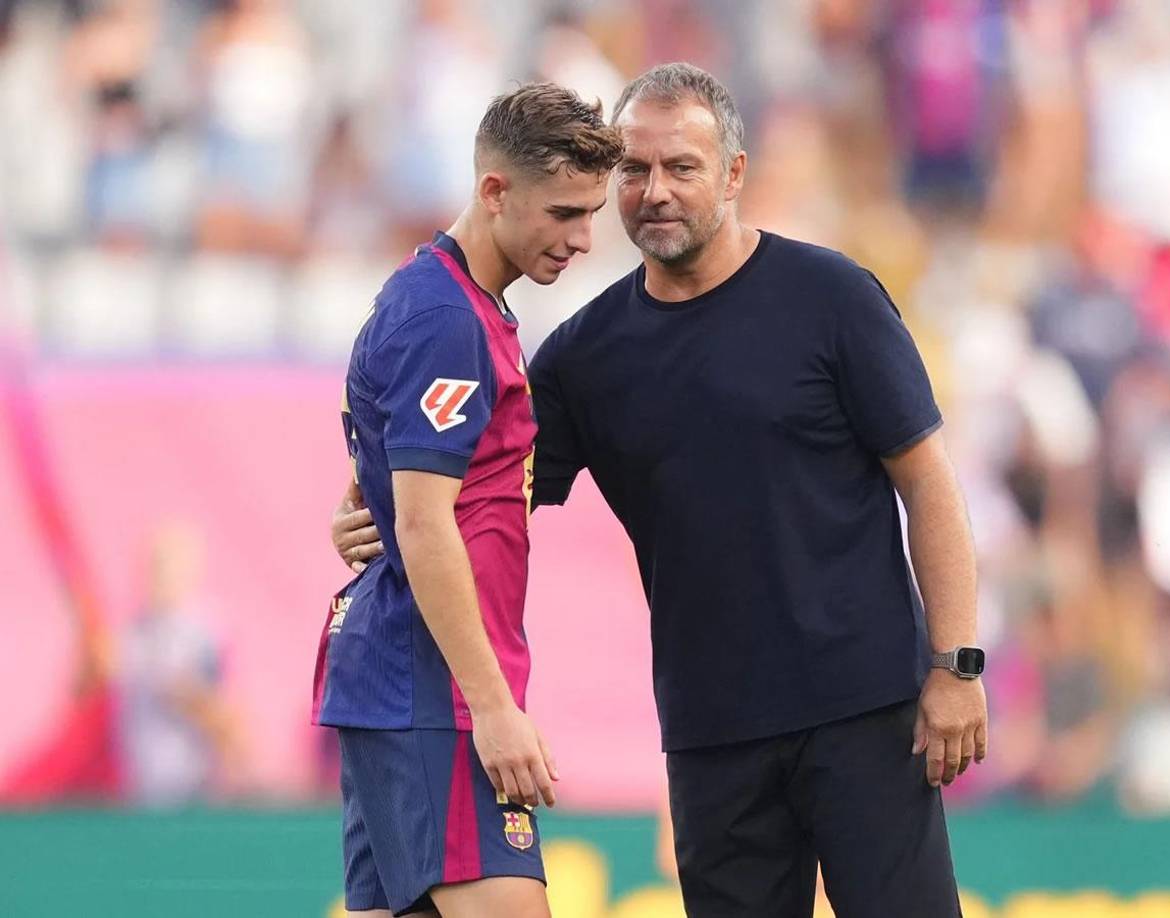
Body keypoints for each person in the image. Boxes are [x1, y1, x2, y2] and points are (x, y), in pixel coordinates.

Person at [334, 63, 987, 918]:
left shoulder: (833, 298)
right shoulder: (582, 356)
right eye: (635, 172)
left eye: (682, 167)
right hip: (711, 737)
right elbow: (479, 487)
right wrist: (387, 511)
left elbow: (928, 482)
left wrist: (957, 664)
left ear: (734, 174)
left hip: (865, 713)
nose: (655, 191)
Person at [315, 83, 623, 918]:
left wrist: (373, 494)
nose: (584, 239)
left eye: (592, 213)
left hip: (402, 681)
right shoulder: (447, 319)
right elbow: (422, 520)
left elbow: (402, 478)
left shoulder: (440, 298)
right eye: (564, 212)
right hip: (433, 693)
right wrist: (491, 708)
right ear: (494, 191)